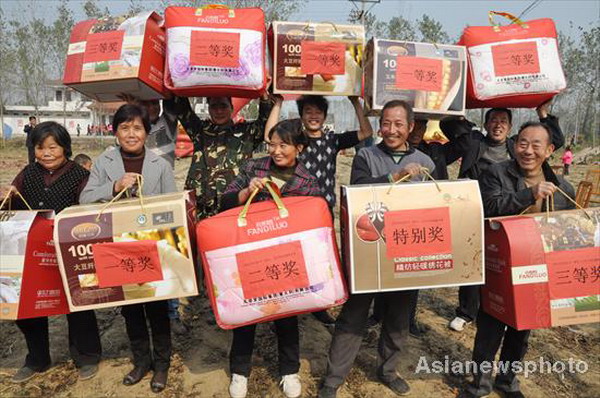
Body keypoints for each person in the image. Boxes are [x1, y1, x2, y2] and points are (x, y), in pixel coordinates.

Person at [318, 100, 435, 398]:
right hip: (367, 248)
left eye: (399, 124)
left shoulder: (427, 161)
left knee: (398, 317)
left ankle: (388, 371)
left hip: (408, 252)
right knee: (353, 316)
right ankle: (333, 378)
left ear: (411, 127)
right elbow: (357, 189)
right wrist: (392, 178)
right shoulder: (366, 156)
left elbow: (438, 202)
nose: (392, 130)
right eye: (386, 123)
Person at [459, 122, 575, 398]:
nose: (528, 150)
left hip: (536, 269)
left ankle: (507, 380)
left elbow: (567, 230)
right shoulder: (495, 173)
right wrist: (529, 194)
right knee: (490, 328)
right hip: (499, 266)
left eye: (537, 145)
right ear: (514, 145)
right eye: (523, 143)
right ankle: (479, 385)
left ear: (549, 150)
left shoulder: (563, 188)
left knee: (522, 328)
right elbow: (489, 208)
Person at [441, 100, 565, 332]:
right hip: (477, 207)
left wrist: (543, 113)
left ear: (510, 127)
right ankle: (466, 312)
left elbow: (554, 140)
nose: (498, 125)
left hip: (511, 209)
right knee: (474, 261)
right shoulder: (474, 141)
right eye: (494, 120)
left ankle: (505, 306)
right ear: (486, 124)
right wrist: (461, 110)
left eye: (503, 121)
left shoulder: (517, 146)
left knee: (507, 263)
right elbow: (448, 127)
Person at [220, 119, 322, 398]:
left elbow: (314, 224)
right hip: (250, 255)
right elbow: (224, 201)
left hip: (286, 257)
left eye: (284, 145)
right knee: (246, 315)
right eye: (272, 144)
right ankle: (240, 372)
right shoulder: (254, 168)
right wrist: (245, 192)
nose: (276, 151)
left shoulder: (307, 182)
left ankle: (289, 371)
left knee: (286, 316)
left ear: (299, 148)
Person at [80, 104, 176, 393]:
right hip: (118, 248)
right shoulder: (104, 162)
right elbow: (85, 198)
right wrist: (114, 186)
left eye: (137, 128)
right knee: (131, 308)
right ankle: (141, 361)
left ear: (146, 132)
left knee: (158, 307)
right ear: (115, 131)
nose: (131, 134)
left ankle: (162, 364)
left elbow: (172, 205)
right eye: (125, 127)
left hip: (151, 246)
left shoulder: (161, 165)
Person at [264, 94, 373, 326]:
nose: (313, 116)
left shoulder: (333, 140)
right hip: (295, 209)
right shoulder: (295, 139)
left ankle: (319, 305)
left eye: (317, 112)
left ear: (324, 116)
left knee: (321, 259)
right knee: (293, 256)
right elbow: (269, 135)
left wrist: (355, 103)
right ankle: (291, 303)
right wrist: (278, 103)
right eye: (308, 112)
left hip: (322, 209)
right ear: (302, 116)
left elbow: (366, 133)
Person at [5, 121, 102, 383]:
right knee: (29, 305)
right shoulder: (28, 173)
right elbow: (12, 203)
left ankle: (87, 356)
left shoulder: (79, 175)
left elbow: (89, 210)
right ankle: (37, 358)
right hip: (34, 254)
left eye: (53, 147)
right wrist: (9, 196)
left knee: (78, 303)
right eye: (40, 147)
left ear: (65, 148)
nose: (46, 153)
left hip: (69, 249)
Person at [120, 95, 186, 334]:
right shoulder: (134, 130)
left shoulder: (166, 124)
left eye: (151, 103)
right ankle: (139, 306)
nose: (148, 107)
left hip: (162, 197)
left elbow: (171, 98)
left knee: (167, 256)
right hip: (133, 200)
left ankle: (172, 314)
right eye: (143, 103)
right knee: (137, 254)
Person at [165, 94, 273, 221]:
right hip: (202, 209)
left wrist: (265, 97)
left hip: (236, 206)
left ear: (232, 108)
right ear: (208, 109)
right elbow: (182, 109)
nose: (219, 111)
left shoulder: (247, 133)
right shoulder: (200, 130)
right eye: (214, 106)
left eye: (223, 106)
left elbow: (266, 119)